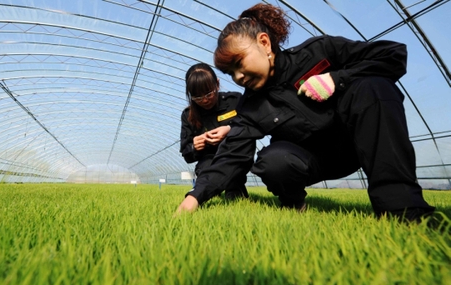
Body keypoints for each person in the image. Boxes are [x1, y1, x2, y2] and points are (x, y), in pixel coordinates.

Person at [176, 3, 435, 221]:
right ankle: (294, 204)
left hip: (360, 145)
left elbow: (392, 54)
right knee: (272, 161)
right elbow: (230, 155)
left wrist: (337, 79)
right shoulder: (250, 106)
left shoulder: (318, 52)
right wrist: (195, 196)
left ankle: (402, 210)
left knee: (373, 85)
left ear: (264, 43)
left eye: (239, 64)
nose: (238, 77)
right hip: (313, 163)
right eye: (230, 73)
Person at [180, 63, 249, 200]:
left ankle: (235, 189)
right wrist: (195, 147)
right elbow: (186, 153)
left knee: (236, 197)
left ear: (217, 84)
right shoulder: (188, 115)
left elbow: (250, 127)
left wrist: (230, 130)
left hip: (235, 157)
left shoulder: (235, 101)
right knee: (206, 181)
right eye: (198, 98)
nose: (205, 100)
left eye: (209, 93)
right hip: (208, 162)